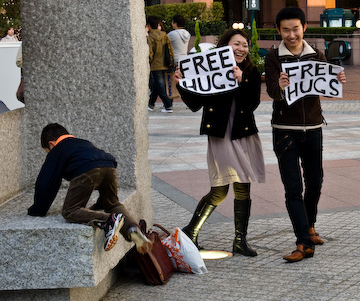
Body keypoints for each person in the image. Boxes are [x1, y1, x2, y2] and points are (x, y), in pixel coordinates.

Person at [264, 7, 347, 263]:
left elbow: (326, 90)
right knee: (293, 188)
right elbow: (271, 92)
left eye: (295, 28)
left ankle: (310, 226)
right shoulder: (273, 58)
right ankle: (303, 241)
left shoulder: (317, 55)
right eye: (286, 29)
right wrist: (279, 86)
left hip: (312, 129)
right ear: (278, 30)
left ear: (304, 28)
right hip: (285, 132)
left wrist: (338, 80)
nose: (291, 34)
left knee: (316, 182)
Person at [175, 29, 265, 256]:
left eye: (245, 44)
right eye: (237, 44)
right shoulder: (211, 69)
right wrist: (181, 84)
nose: (242, 49)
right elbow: (196, 103)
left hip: (243, 133)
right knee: (220, 188)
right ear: (225, 46)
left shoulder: (251, 72)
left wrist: (241, 80)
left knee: (243, 185)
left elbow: (252, 103)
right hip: (221, 134)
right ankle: (191, 232)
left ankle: (238, 240)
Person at [27, 123, 153, 254]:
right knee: (112, 203)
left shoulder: (57, 149)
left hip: (87, 171)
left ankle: (109, 221)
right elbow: (97, 166)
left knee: (70, 211)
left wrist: (37, 210)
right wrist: (99, 204)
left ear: (51, 144)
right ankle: (133, 229)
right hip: (109, 166)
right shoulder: (82, 142)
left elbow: (46, 182)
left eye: (47, 151)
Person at [146, 16, 174, 113]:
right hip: (166, 63)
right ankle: (150, 104)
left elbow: (150, 52)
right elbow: (170, 49)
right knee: (159, 85)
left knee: (159, 86)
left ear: (148, 25)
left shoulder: (150, 37)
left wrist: (148, 62)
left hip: (155, 65)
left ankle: (168, 105)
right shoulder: (165, 35)